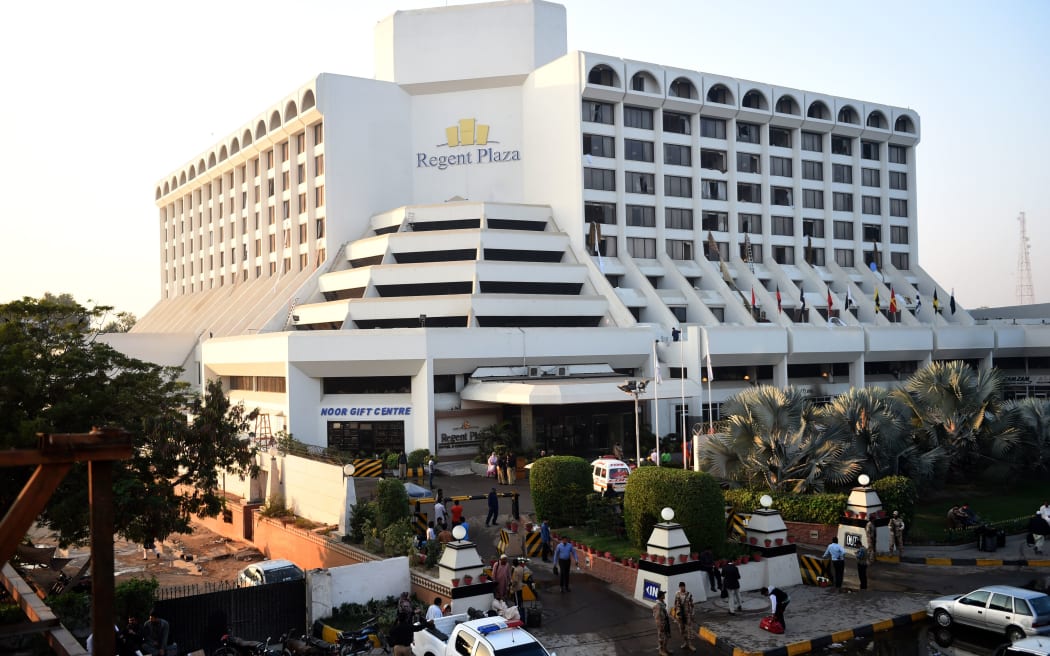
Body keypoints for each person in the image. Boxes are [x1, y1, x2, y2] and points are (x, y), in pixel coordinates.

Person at [673, 581, 696, 652]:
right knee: (682, 630)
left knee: (689, 629)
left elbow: (692, 604)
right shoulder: (677, 594)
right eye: (681, 587)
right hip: (680, 615)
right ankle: (685, 642)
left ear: (684, 586)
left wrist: (692, 614)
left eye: (683, 587)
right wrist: (675, 615)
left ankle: (690, 644)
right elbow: (675, 604)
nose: (682, 588)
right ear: (679, 587)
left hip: (687, 614)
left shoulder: (689, 594)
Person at [653, 589, 672, 656]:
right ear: (660, 596)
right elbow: (657, 618)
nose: (664, 595)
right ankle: (661, 651)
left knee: (667, 636)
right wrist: (661, 625)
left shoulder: (662, 603)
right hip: (661, 624)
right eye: (663, 594)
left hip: (665, 622)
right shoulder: (658, 605)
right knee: (661, 638)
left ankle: (665, 649)